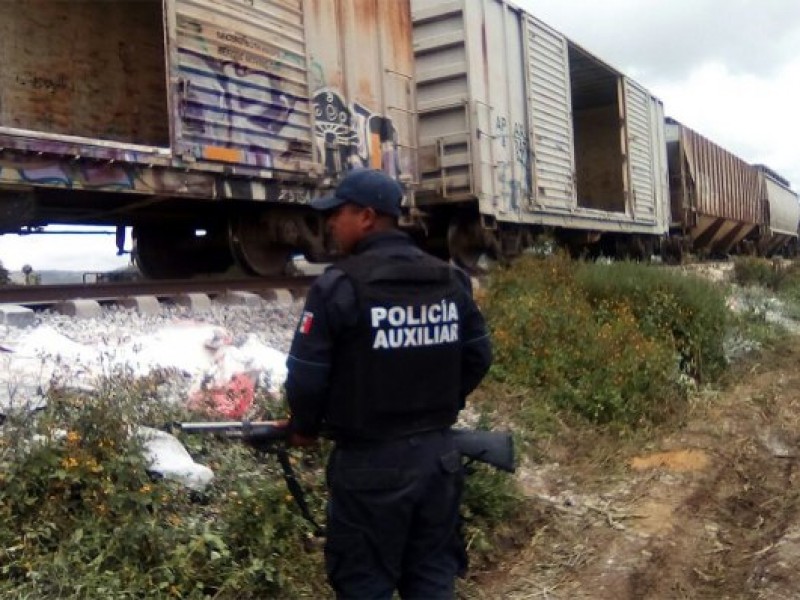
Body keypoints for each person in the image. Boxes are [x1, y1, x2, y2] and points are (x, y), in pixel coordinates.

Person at [283, 168, 492, 599]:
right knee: (433, 577)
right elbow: (479, 356)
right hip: (440, 462)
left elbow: (306, 378)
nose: (330, 225)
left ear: (365, 217)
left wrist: (304, 428)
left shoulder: (337, 286)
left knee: (365, 584)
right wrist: (439, 403)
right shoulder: (450, 280)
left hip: (369, 467)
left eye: (336, 214)